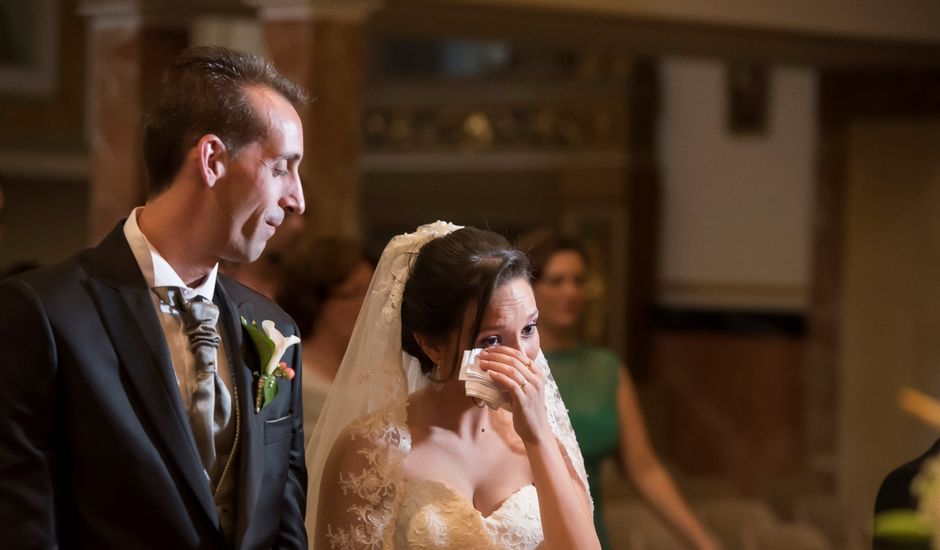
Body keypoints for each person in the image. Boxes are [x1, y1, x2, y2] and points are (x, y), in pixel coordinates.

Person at [0, 46, 308, 548]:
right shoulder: (44, 315)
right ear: (212, 160)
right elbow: (22, 525)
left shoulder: (276, 327)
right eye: (281, 167)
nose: (297, 198)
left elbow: (284, 526)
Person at [306, 222, 600, 549]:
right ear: (432, 345)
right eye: (492, 339)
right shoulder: (369, 450)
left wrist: (537, 436)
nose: (521, 357)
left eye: (529, 328)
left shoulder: (541, 439)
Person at [519, 230, 714, 550]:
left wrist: (703, 543)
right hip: (528, 537)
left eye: (578, 280)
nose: (570, 291)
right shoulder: (513, 366)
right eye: (556, 281)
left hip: (589, 535)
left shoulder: (606, 368)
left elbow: (646, 471)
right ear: (530, 289)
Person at [276, 236, 374, 446]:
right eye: (357, 293)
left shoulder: (374, 370)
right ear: (318, 300)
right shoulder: (291, 373)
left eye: (373, 292)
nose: (370, 305)